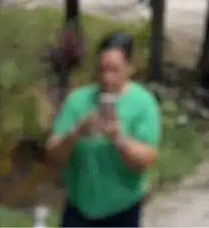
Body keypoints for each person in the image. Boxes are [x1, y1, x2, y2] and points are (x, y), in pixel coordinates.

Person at [48, 32, 160, 228]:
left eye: (114, 70)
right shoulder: (78, 100)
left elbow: (147, 158)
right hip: (79, 209)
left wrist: (118, 138)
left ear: (129, 68)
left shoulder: (143, 104)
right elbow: (53, 154)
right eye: (102, 69)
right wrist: (75, 133)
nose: (106, 78)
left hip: (121, 211)